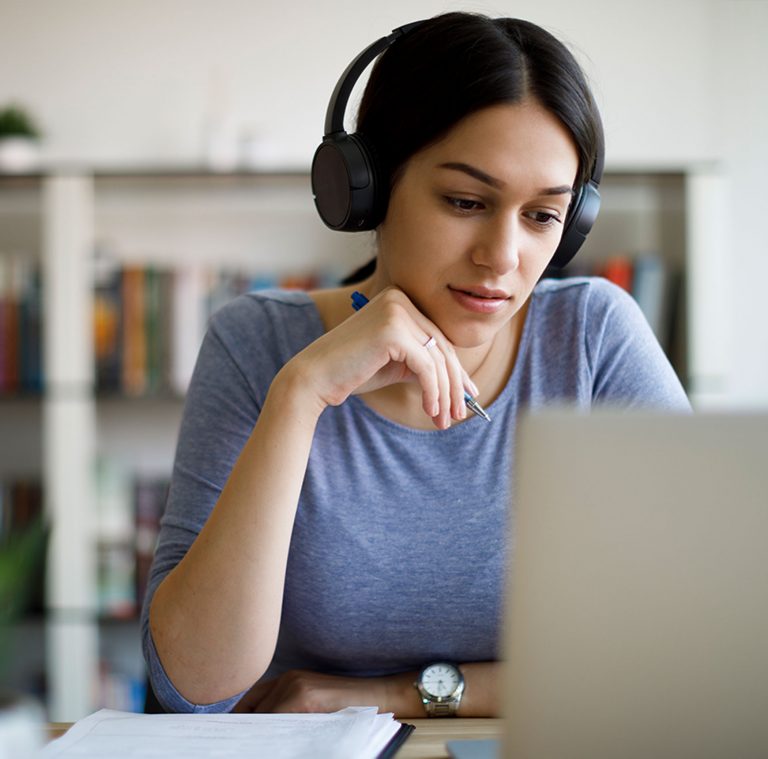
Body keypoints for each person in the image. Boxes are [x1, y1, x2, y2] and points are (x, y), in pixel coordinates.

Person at [141, 12, 690, 717]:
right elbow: (191, 683)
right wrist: (302, 393)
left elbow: (688, 643)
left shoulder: (591, 339)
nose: (502, 256)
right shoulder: (255, 343)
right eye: (465, 201)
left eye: (542, 216)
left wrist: (399, 695)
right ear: (363, 189)